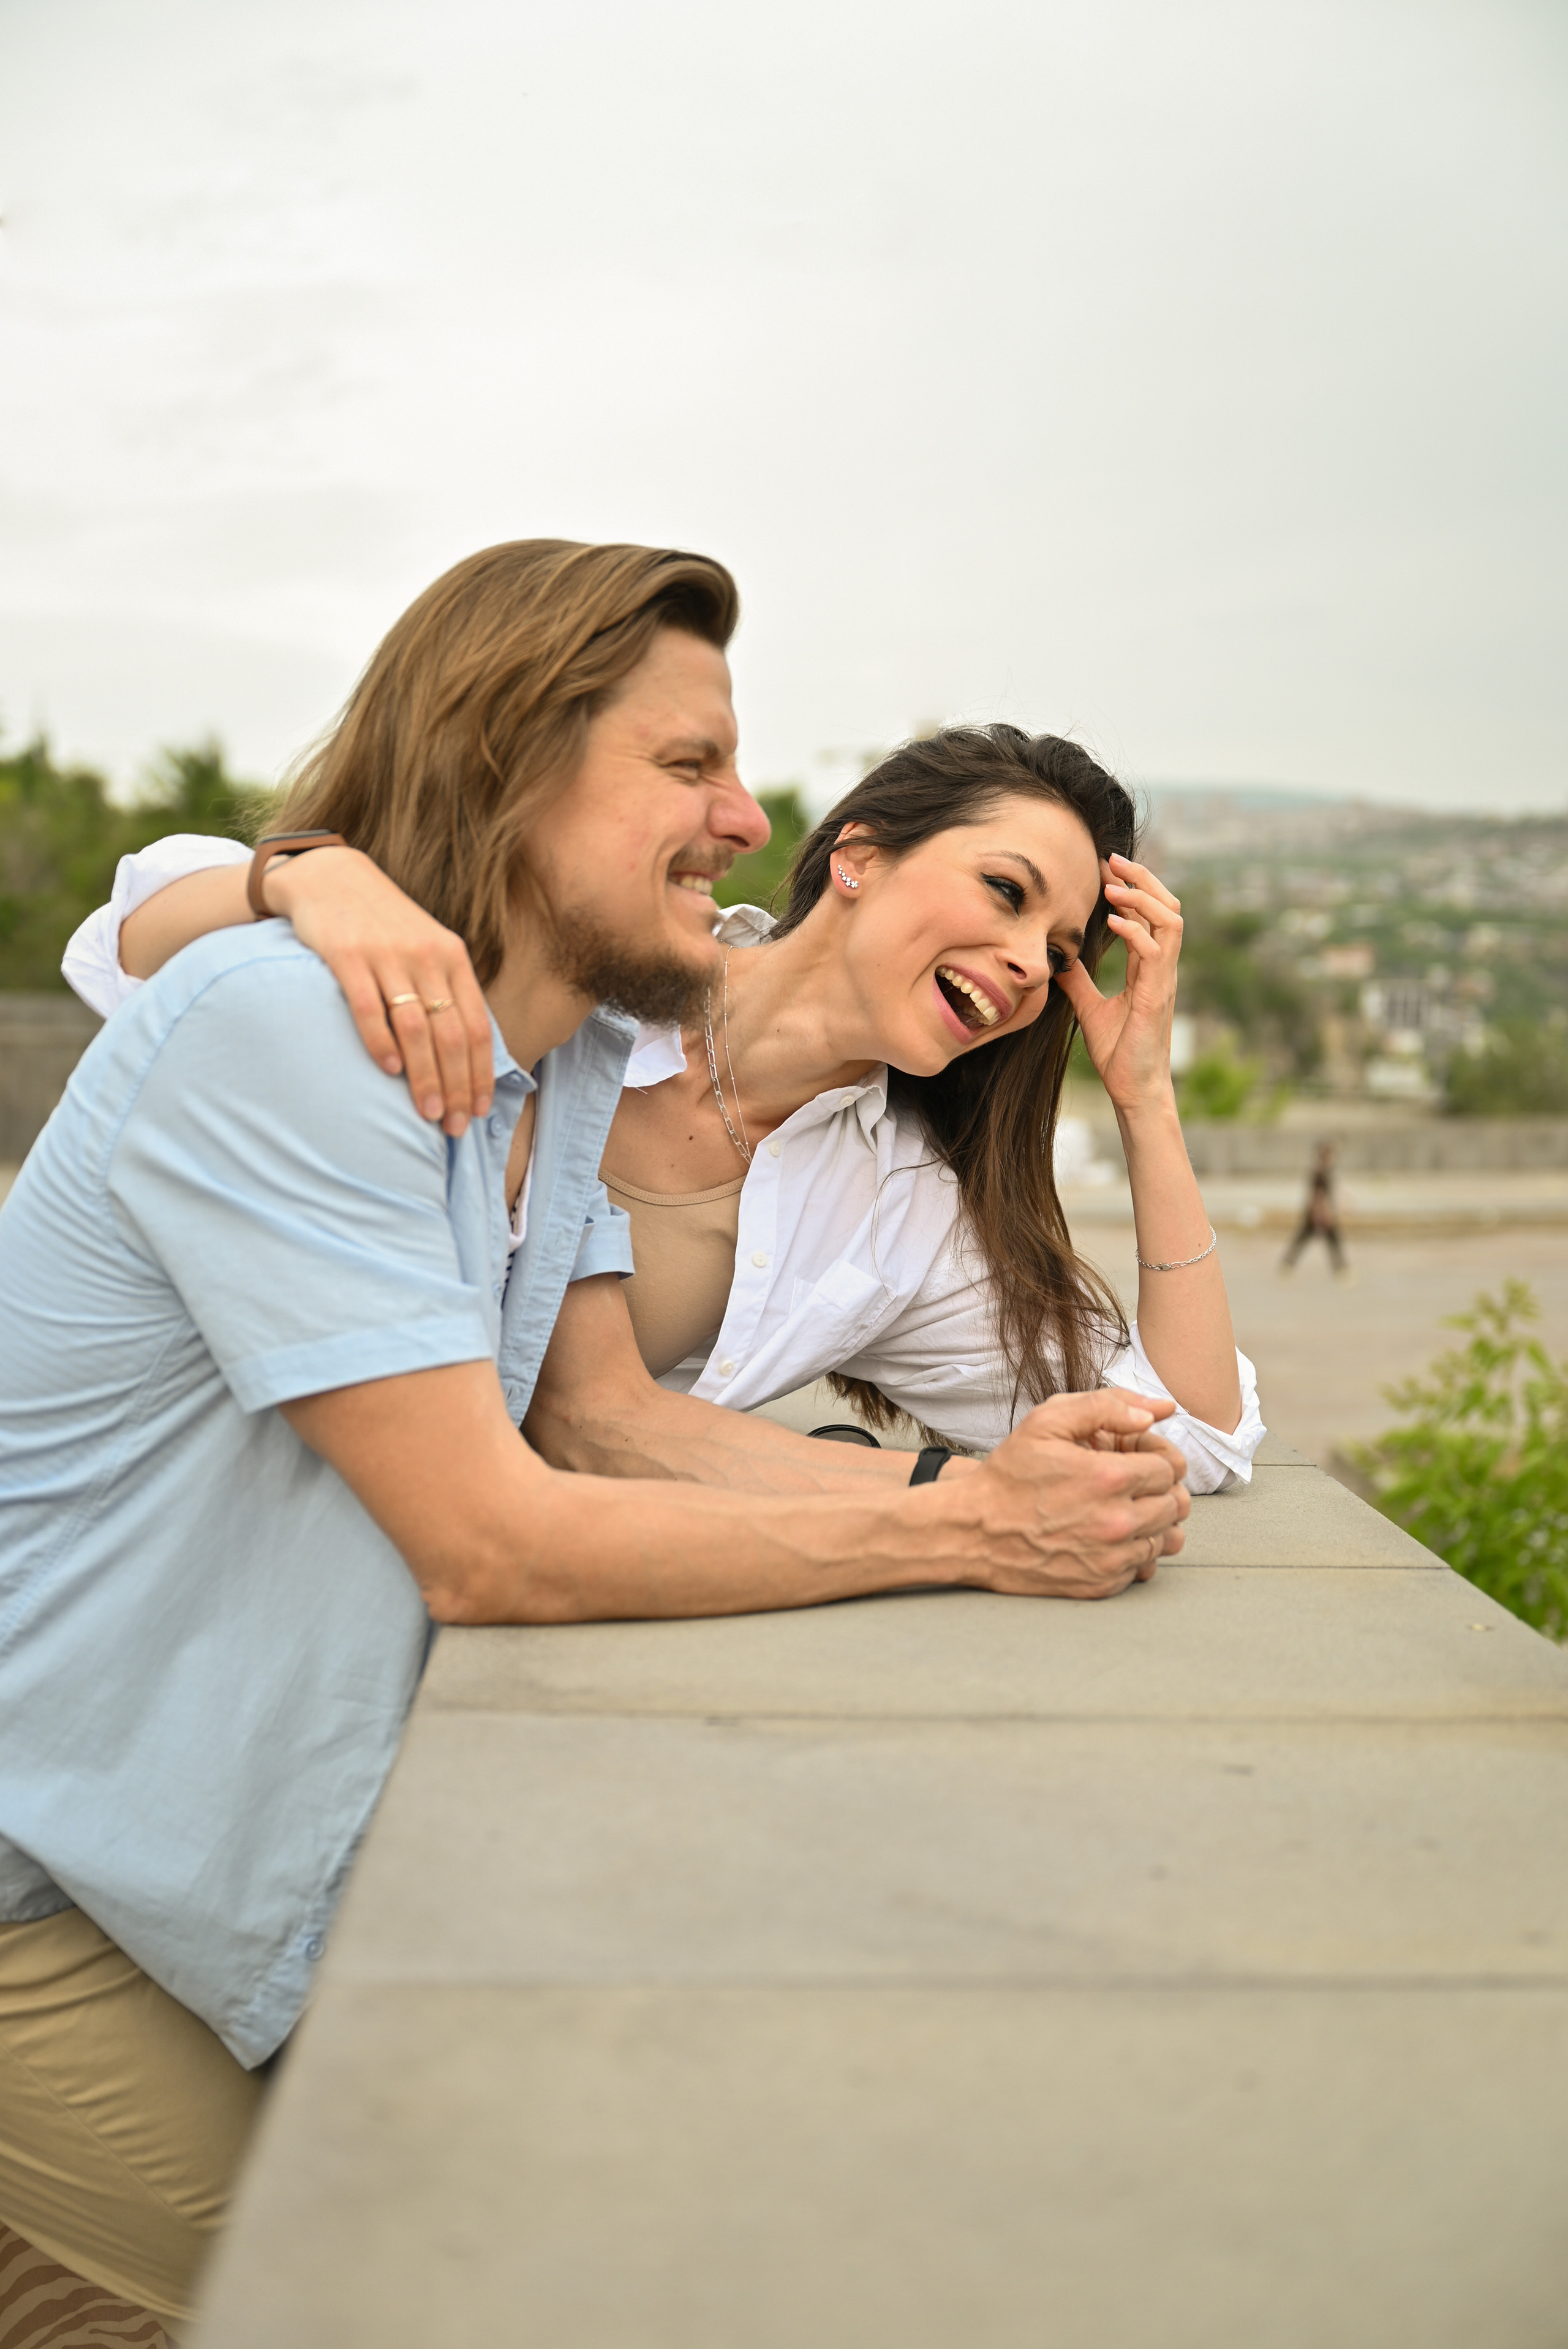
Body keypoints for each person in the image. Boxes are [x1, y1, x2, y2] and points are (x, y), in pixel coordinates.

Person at [0, 539, 1193, 2325]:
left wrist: (986, 1483)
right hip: (38, 1882)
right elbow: (491, 1543)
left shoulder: (551, 1069)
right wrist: (965, 1534)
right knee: (418, 2289)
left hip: (220, 1857)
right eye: (687, 767)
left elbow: (611, 1423)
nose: (742, 820)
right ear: (505, 753)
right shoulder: (289, 1031)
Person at [71, 735, 1262, 1489]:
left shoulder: (896, 1216)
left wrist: (1143, 1103)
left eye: (1056, 952)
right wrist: (304, 872)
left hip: (425, 1626)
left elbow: (1189, 1437)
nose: (1018, 961)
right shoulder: (607, 952)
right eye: (1003, 893)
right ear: (859, 857)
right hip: (166, 1475)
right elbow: (128, 953)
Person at [1279, 1139, 1351, 1279]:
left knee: (1307, 1239)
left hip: (1317, 1212)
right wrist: (1323, 1214)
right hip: (1319, 1213)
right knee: (1331, 1241)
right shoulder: (1320, 1172)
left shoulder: (1324, 1170)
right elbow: (1318, 1195)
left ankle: (1287, 1265)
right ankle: (1341, 1270)